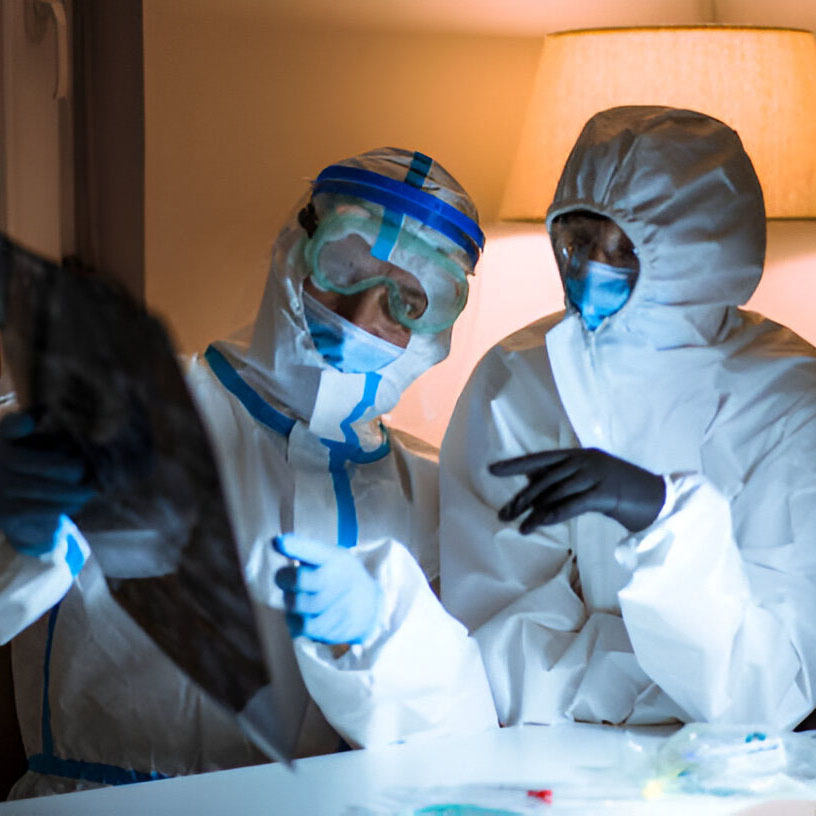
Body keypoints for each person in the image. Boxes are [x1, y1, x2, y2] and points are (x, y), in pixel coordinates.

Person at [0, 147, 496, 798]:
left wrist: (388, 629)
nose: (361, 317)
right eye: (343, 268)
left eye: (407, 299)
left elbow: (465, 744)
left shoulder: (432, 496)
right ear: (295, 250)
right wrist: (14, 527)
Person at [440, 106, 816, 730]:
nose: (591, 267)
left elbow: (771, 687)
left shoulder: (790, 399)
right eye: (579, 240)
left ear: (703, 251)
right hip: (551, 753)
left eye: (624, 248)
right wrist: (664, 686)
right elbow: (502, 653)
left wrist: (664, 519)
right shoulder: (518, 380)